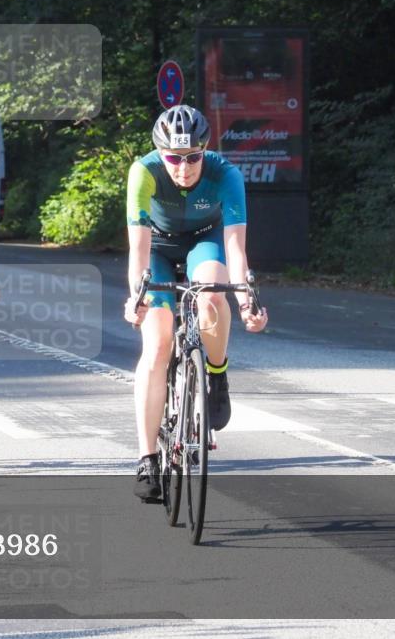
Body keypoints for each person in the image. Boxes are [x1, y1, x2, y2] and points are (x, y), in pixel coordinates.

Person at [124, 105, 269, 500]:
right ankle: (147, 457)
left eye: (192, 158)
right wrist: (135, 294)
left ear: (205, 151)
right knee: (156, 347)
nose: (183, 167)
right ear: (161, 153)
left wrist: (245, 302)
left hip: (205, 241)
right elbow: (138, 250)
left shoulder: (226, 175)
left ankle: (216, 373)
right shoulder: (144, 172)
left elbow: (236, 247)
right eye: (174, 158)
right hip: (157, 248)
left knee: (210, 295)